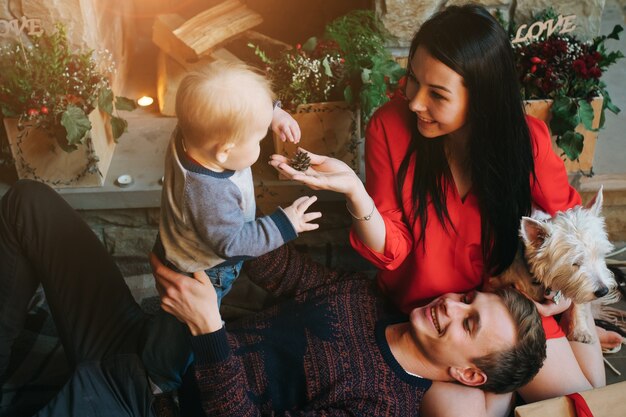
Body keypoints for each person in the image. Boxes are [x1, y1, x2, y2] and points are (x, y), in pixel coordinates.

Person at [269, 3, 610, 414]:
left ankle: (556, 346)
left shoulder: (528, 140)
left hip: (500, 313)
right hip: (433, 321)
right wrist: (354, 192)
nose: (414, 101)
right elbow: (393, 251)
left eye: (437, 94)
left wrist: (566, 302)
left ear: (481, 98)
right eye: (413, 79)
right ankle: (507, 381)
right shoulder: (389, 127)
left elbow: (572, 222)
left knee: (589, 399)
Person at [0, 180, 546, 417]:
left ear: (471, 376)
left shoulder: (381, 406)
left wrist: (211, 333)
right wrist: (230, 190)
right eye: (467, 296)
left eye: (469, 323)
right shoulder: (364, 299)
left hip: (145, 404)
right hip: (147, 342)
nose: (451, 305)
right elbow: (274, 264)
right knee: (28, 203)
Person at [149, 61, 321, 391]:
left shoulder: (194, 132)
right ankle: (160, 380)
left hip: (183, 246)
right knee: (183, 328)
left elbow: (226, 103)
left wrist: (273, 113)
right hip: (202, 272)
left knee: (176, 323)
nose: (263, 143)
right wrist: (285, 224)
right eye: (257, 140)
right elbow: (232, 242)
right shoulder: (207, 191)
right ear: (225, 149)